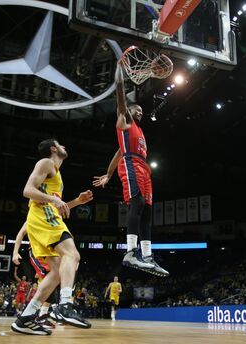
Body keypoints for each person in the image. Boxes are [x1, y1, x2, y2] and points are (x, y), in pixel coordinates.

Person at [11, 139, 94, 335]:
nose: (65, 146)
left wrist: (75, 202)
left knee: (56, 273)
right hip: (43, 217)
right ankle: (65, 305)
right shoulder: (46, 163)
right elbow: (28, 191)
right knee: (72, 255)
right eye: (61, 144)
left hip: (43, 218)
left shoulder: (56, 172)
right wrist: (54, 200)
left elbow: (57, 205)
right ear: (53, 148)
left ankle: (26, 317)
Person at [93, 61, 168, 277]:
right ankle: (131, 252)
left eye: (142, 112)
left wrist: (108, 173)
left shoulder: (138, 132)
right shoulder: (125, 120)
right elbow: (121, 103)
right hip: (132, 164)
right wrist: (119, 82)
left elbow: (118, 152)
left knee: (147, 211)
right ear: (130, 110)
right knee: (136, 203)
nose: (141, 113)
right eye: (138, 110)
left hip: (143, 168)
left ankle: (146, 255)